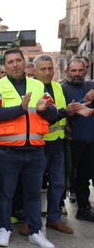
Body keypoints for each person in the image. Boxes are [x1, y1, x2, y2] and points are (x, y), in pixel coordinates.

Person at [0, 48, 57, 248]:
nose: (15, 64)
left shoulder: (37, 85)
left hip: (35, 149)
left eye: (18, 60)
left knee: (34, 193)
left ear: (25, 62)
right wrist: (21, 109)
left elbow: (51, 113)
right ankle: (4, 228)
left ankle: (36, 232)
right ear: (4, 66)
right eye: (10, 62)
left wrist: (47, 108)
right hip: (7, 150)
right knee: (5, 193)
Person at [34, 54, 83, 234]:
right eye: (43, 69)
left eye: (50, 68)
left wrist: (76, 110)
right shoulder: (32, 88)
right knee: (34, 185)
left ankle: (54, 219)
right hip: (38, 145)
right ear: (36, 70)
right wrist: (65, 112)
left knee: (58, 183)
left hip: (57, 144)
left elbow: (63, 113)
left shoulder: (57, 87)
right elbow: (46, 115)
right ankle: (30, 220)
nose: (47, 72)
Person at [61, 57, 94, 222]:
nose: (77, 74)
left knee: (84, 177)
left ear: (85, 71)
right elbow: (64, 112)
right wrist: (85, 101)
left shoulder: (91, 85)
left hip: (89, 140)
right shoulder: (61, 88)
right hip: (70, 141)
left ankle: (83, 209)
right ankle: (58, 208)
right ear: (66, 71)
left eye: (80, 70)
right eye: (73, 71)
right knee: (62, 176)